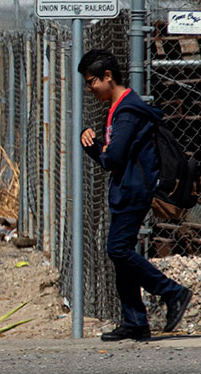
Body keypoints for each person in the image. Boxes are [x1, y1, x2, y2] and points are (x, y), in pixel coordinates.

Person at [79, 49, 192, 341]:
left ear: (108, 76)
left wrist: (93, 147)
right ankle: (135, 320)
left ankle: (173, 293)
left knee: (118, 250)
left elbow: (113, 158)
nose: (90, 89)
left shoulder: (127, 111)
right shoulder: (120, 107)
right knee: (121, 254)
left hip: (132, 190)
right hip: (126, 189)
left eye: (92, 82)